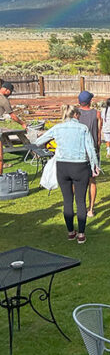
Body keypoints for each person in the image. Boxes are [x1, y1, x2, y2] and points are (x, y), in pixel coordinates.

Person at [35, 105, 100, 244]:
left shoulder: (57, 128)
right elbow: (90, 148)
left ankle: (71, 232)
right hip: (80, 166)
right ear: (76, 115)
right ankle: (81, 234)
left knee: (67, 201)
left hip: (63, 166)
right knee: (81, 201)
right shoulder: (83, 128)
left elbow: (38, 141)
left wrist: (51, 147)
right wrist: (95, 166)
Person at [78, 91, 102, 218]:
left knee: (77, 181)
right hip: (92, 151)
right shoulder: (97, 114)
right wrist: (97, 149)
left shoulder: (74, 114)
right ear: (90, 101)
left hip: (77, 151)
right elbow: (98, 135)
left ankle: (79, 207)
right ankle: (91, 209)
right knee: (92, 181)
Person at [0, 81, 27, 175]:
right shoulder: (4, 100)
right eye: (10, 91)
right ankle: (1, 165)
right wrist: (22, 123)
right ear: (7, 90)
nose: (10, 94)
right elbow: (13, 116)